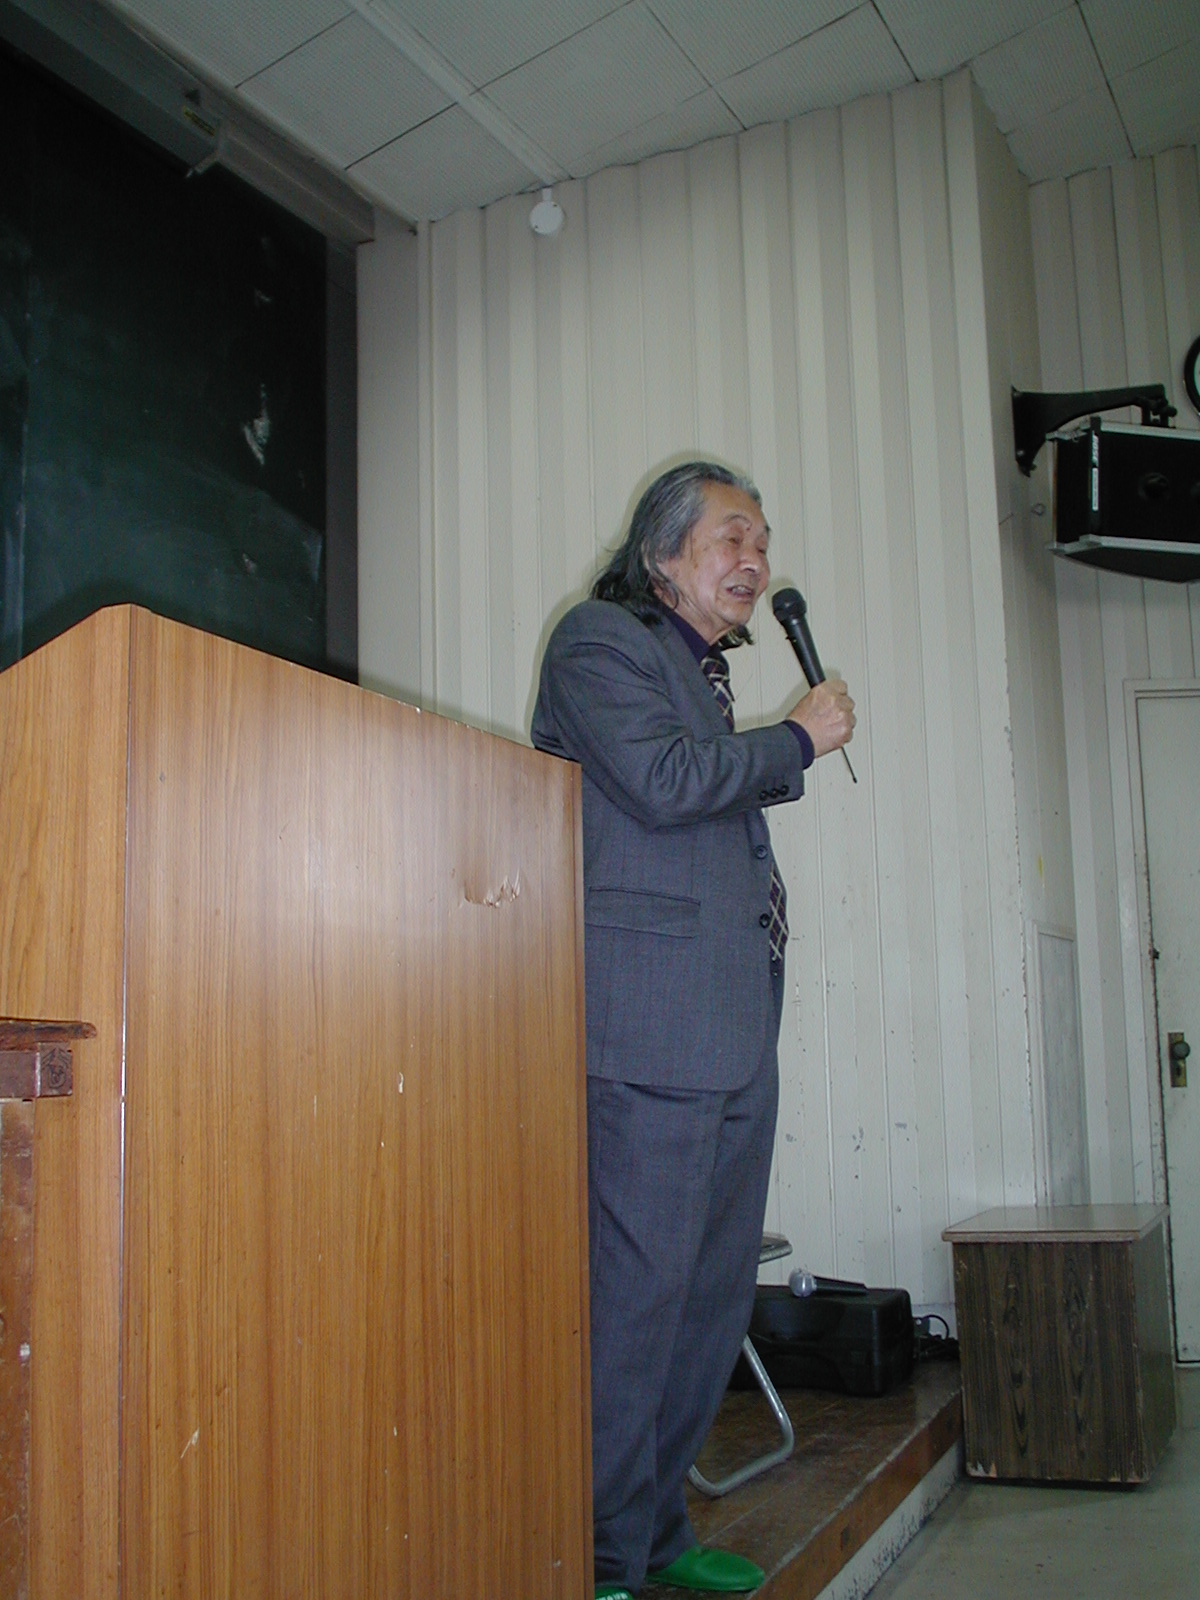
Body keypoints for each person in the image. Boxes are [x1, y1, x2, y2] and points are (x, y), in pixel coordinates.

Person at [531, 461, 856, 1599]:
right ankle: (598, 1557)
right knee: (636, 1310)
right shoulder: (600, 641)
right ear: (662, 553)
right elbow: (665, 782)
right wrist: (796, 742)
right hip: (648, 1031)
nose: (755, 560)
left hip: (729, 1029)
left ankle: (659, 1534)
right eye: (732, 537)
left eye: (762, 541)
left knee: (710, 1306)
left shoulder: (697, 671)